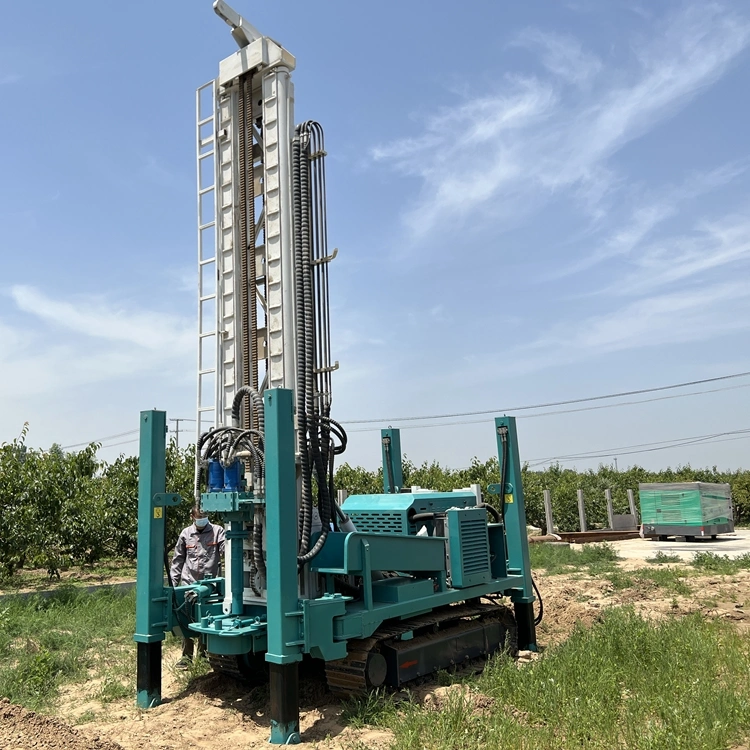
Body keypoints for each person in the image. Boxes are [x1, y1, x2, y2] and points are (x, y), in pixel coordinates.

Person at [170, 504, 225, 669]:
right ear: (192, 517)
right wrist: (173, 584)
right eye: (199, 518)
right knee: (186, 618)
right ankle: (186, 657)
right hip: (189, 583)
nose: (202, 520)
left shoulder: (217, 531)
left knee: (205, 619)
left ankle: (203, 656)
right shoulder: (186, 534)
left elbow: (227, 551)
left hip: (209, 586)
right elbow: (178, 560)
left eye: (204, 517)